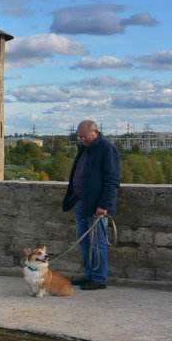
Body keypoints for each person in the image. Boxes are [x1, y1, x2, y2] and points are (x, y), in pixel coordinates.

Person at [61, 120, 121, 290]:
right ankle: (89, 275)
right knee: (84, 241)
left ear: (96, 132)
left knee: (98, 242)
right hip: (82, 201)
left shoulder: (107, 148)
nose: (82, 140)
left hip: (97, 206)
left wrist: (103, 205)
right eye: (79, 137)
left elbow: (112, 180)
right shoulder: (86, 147)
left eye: (84, 137)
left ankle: (99, 279)